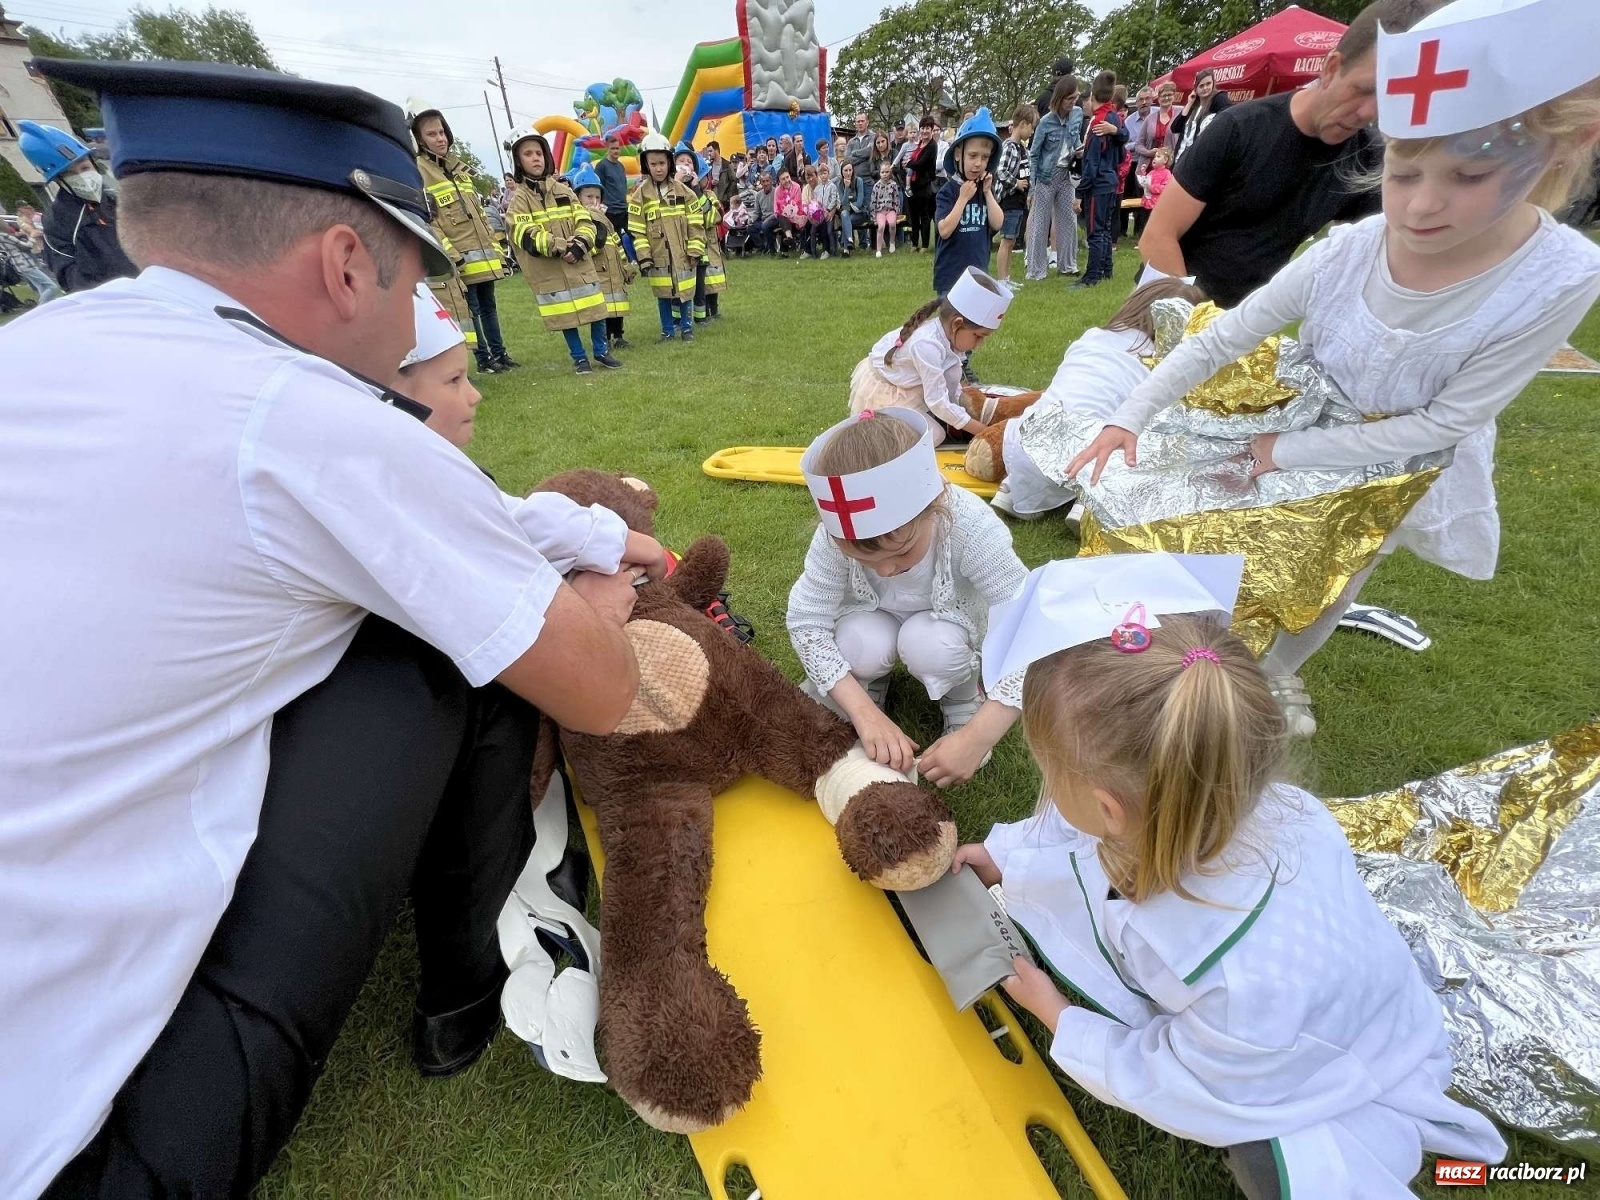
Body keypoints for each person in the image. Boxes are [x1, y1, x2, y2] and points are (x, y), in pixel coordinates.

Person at [4, 56, 663, 1200]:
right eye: (416, 280)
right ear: (350, 260)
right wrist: (594, 603)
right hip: (66, 1151)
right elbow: (603, 689)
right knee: (437, 643)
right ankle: (470, 986)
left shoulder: (37, 352)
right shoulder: (301, 415)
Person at [1069, 0, 1600, 736]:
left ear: (1566, 147)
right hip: (1301, 414)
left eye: (1468, 175)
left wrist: (1285, 452)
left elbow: (1448, 420)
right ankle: (1186, 666)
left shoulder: (1562, 275)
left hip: (1399, 457)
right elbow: (1224, 337)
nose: (1419, 208)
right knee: (1228, 541)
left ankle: (1267, 680)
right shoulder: (1353, 248)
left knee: (1332, 575)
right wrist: (1129, 414)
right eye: (1402, 171)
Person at [961, 557, 1507, 1199]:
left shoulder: (1237, 983)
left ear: (1111, 809)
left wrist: (1056, 1015)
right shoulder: (1254, 806)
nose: (1048, 789)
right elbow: (1073, 843)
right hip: (1370, 1010)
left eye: (1051, 773)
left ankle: (1436, 1164)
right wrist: (1004, 858)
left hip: (1318, 1070)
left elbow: (1186, 1082)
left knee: (1275, 1167)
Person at [1139, 0, 1438, 307]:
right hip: (1169, 295)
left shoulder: (1367, 158)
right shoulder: (1239, 128)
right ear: (1331, 68)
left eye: (1388, 97)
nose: (1368, 112)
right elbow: (1158, 236)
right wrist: (1197, 324)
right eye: (1363, 90)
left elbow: (1373, 258)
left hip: (1247, 318)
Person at [788, 409, 1026, 787]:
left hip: (946, 628)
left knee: (930, 643)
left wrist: (978, 736)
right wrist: (864, 713)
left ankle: (962, 699)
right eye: (863, 558)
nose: (884, 571)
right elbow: (806, 620)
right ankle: (868, 687)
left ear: (933, 508)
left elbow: (1026, 625)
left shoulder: (970, 526)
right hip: (872, 620)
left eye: (902, 551)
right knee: (856, 641)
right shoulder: (834, 538)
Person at [985, 277, 1207, 520]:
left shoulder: (1093, 336)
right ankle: (1091, 502)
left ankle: (1015, 488)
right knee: (1154, 435)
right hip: (1091, 453)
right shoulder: (1160, 364)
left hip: (1022, 441)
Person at [409, 100, 515, 375]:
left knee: (489, 305)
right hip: (459, 258)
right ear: (418, 139)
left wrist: (496, 247)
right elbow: (430, 220)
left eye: (442, 132)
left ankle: (500, 353)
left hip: (483, 255)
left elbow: (478, 214)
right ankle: (483, 358)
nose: (440, 138)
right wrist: (451, 255)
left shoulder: (458, 169)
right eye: (432, 134)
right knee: (472, 309)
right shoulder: (419, 171)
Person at [848, 265, 1012, 443]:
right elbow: (937, 402)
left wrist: (967, 414)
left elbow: (951, 382)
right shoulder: (927, 346)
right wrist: (984, 432)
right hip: (886, 391)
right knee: (933, 435)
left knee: (940, 423)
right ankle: (882, 443)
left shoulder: (949, 337)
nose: (979, 345)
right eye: (978, 336)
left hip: (905, 384)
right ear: (957, 324)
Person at [503, 126, 618, 374]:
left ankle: (601, 351)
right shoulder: (519, 201)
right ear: (518, 162)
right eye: (528, 154)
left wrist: (580, 245)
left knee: (596, 308)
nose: (535, 158)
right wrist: (561, 247)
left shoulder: (564, 191)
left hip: (579, 261)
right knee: (565, 315)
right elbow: (525, 234)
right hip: (552, 269)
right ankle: (579, 358)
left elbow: (585, 220)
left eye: (538, 152)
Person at [19, 120, 136, 293]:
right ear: (59, 180)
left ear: (94, 164)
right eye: (71, 174)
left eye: (85, 168)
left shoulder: (114, 197)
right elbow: (70, 278)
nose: (82, 177)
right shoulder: (59, 221)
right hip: (113, 300)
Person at [630, 131, 702, 342]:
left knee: (686, 291)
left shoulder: (684, 192)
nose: (658, 168)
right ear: (646, 165)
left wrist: (695, 248)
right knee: (663, 294)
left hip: (683, 254)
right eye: (653, 164)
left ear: (670, 163)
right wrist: (644, 256)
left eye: (662, 162)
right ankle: (667, 330)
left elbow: (695, 222)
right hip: (658, 256)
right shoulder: (639, 196)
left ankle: (687, 328)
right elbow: (637, 229)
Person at [934, 108, 1004, 300]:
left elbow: (998, 223)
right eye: (972, 156)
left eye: (984, 157)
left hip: (978, 276)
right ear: (958, 154)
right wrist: (963, 198)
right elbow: (944, 230)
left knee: (972, 327)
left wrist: (988, 192)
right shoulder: (947, 192)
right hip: (950, 278)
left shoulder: (984, 190)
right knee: (950, 327)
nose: (978, 163)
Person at [571, 163, 635, 349]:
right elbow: (594, 245)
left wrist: (625, 265)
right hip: (598, 272)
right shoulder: (581, 219)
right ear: (578, 198)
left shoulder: (605, 219)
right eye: (589, 197)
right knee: (603, 309)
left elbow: (616, 243)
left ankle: (618, 335)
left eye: (597, 197)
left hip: (614, 271)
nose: (594, 201)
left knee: (618, 305)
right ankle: (605, 338)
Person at [1073, 70, 1127, 289]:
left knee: (1094, 231)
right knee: (1104, 229)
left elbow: (1092, 165)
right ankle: (1106, 270)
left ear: (1093, 95)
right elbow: (1123, 143)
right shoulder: (1113, 116)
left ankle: (1091, 277)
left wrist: (1079, 193)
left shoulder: (1098, 122)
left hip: (1099, 183)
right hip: (1111, 180)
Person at [1025, 76, 1082, 281]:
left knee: (1069, 219)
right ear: (1060, 98)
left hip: (1067, 175)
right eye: (1069, 98)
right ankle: (1036, 270)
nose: (1073, 102)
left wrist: (1079, 151)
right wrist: (1033, 187)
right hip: (1046, 176)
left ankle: (1067, 265)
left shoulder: (1077, 115)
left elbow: (1075, 139)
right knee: (1040, 223)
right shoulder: (1045, 122)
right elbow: (1034, 154)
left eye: (1075, 97)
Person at [995, 103, 1035, 283]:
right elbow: (1001, 170)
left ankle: (1007, 277)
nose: (1033, 131)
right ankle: (1002, 280)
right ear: (1023, 124)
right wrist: (1016, 183)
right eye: (1032, 127)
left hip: (1019, 201)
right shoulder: (1009, 147)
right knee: (1006, 240)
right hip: (1009, 200)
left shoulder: (1023, 149)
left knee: (1012, 241)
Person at [1167, 68, 1234, 162]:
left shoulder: (1219, 99)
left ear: (1213, 84)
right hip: (1180, 159)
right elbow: (1175, 128)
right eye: (1201, 86)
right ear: (1196, 89)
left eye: (1208, 84)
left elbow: (1229, 118)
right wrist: (1189, 103)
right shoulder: (1194, 105)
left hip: (1198, 160)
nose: (1205, 88)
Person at [1121, 87, 1158, 239]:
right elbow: (1125, 144)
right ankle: (1122, 231)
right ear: (1136, 103)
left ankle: (1140, 231)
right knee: (1127, 197)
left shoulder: (1158, 114)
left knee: (1146, 198)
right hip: (1134, 163)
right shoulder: (1129, 121)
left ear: (1152, 99)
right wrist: (1138, 145)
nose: (1144, 102)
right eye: (1141, 100)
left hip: (1154, 164)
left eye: (1147, 99)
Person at [694, 162, 727, 321]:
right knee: (703, 282)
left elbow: (713, 218)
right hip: (701, 243)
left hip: (712, 243)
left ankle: (714, 310)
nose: (706, 178)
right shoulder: (691, 197)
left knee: (714, 279)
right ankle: (704, 312)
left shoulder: (709, 195)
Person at [904, 116, 940, 251]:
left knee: (924, 216)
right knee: (913, 216)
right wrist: (908, 165)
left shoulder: (932, 146)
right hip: (913, 185)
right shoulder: (919, 144)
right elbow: (914, 162)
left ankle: (924, 245)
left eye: (927, 128)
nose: (925, 131)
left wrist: (908, 164)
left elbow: (921, 164)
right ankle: (914, 244)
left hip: (924, 185)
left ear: (931, 130)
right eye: (923, 128)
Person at [595, 132, 633, 253]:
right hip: (610, 212)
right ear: (607, 148)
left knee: (636, 235)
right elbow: (597, 187)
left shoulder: (621, 166)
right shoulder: (602, 166)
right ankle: (624, 266)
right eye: (613, 149)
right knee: (616, 242)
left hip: (623, 210)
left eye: (618, 148)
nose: (616, 151)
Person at [808, 162, 840, 259]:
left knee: (829, 231)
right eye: (821, 174)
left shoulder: (832, 186)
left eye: (825, 173)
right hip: (819, 213)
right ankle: (813, 252)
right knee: (813, 230)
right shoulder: (817, 188)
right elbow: (816, 201)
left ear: (828, 173)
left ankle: (833, 250)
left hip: (829, 213)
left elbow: (834, 199)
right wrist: (817, 210)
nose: (823, 175)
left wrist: (828, 210)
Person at [870, 159, 902, 256]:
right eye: (882, 172)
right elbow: (873, 202)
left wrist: (896, 212)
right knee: (881, 227)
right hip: (880, 211)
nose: (884, 174)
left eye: (887, 172)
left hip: (890, 210)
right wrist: (873, 217)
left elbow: (896, 199)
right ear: (879, 173)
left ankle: (892, 242)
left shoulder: (893, 185)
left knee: (892, 224)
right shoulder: (876, 186)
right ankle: (878, 249)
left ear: (890, 172)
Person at [839, 159, 870, 255]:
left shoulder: (859, 181)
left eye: (850, 170)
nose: (848, 173)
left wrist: (848, 205)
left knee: (846, 220)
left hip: (860, 213)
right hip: (848, 213)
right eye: (845, 170)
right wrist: (847, 188)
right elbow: (843, 202)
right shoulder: (840, 184)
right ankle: (849, 240)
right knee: (844, 214)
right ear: (841, 172)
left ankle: (846, 249)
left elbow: (859, 203)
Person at [774, 166, 806, 254]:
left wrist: (789, 210)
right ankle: (789, 238)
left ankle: (787, 245)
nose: (786, 180)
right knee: (779, 218)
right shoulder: (777, 190)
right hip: (783, 217)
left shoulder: (797, 187)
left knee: (789, 217)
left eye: (787, 177)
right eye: (783, 179)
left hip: (796, 214)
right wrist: (784, 211)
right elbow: (776, 209)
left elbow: (797, 203)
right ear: (779, 181)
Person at [751, 169, 780, 253]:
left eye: (767, 181)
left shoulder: (776, 192)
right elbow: (757, 212)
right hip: (763, 220)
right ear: (761, 183)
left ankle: (772, 250)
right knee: (750, 228)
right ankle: (762, 247)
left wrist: (768, 219)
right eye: (763, 181)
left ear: (771, 181)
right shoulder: (758, 195)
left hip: (775, 218)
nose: (766, 183)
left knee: (765, 226)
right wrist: (752, 219)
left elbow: (778, 211)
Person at [1141, 146, 1174, 214]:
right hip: (1146, 203)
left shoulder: (1167, 173)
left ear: (1165, 160)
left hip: (1156, 205)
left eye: (1158, 156)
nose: (1155, 159)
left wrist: (1152, 187)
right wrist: (1143, 174)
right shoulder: (1151, 172)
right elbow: (1146, 182)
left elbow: (1165, 188)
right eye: (1155, 156)